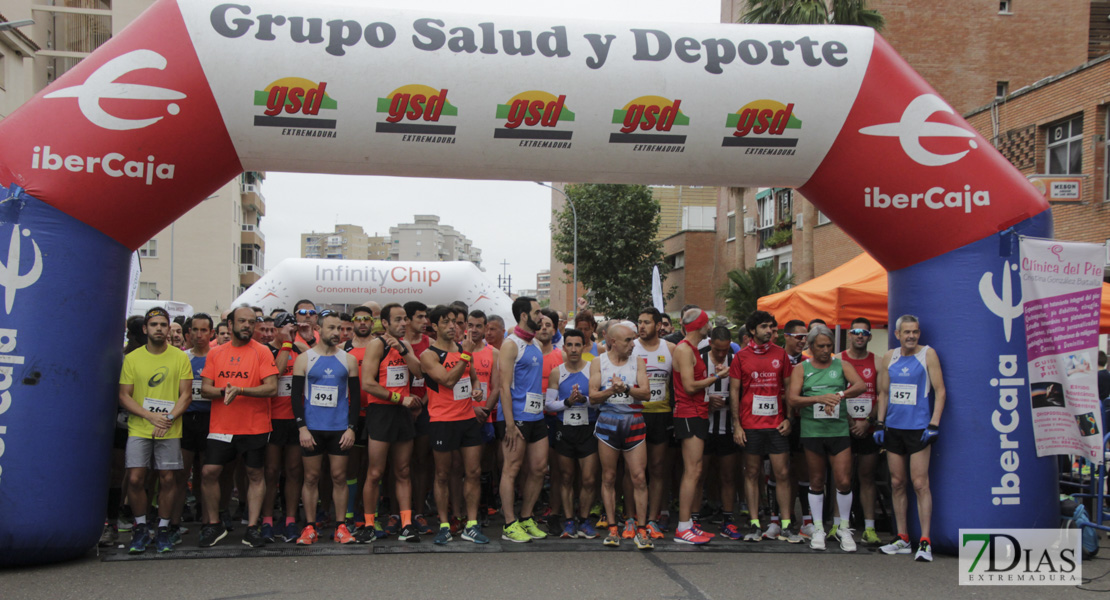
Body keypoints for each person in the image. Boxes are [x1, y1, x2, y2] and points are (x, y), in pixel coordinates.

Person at [197, 306, 279, 548]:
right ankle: (213, 525)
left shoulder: (262, 352)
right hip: (221, 426)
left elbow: (271, 388)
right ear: (230, 325)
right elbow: (205, 389)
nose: (247, 325)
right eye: (242, 321)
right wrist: (224, 391)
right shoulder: (215, 353)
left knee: (255, 474)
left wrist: (241, 390)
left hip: (254, 426)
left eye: (251, 322)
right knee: (209, 472)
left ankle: (252, 528)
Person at [118, 307, 194, 553]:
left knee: (168, 478)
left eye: (163, 324)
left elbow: (186, 394)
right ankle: (140, 527)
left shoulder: (180, 357)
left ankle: (162, 528)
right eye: (154, 325)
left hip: (169, 429)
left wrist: (168, 418)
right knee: (135, 478)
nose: (159, 329)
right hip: (139, 428)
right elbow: (124, 396)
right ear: (145, 329)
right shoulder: (132, 359)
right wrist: (151, 417)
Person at [874, 315, 946, 563]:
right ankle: (902, 537)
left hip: (918, 429)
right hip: (894, 428)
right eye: (907, 332)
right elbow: (883, 393)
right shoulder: (889, 357)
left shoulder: (928, 354)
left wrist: (934, 424)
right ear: (897, 334)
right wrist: (880, 423)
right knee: (896, 482)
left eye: (915, 331)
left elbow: (940, 390)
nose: (912, 336)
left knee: (919, 483)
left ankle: (924, 541)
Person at [788, 324, 866, 552]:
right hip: (813, 431)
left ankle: (844, 527)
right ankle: (819, 528)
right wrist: (819, 399)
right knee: (816, 481)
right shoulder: (802, 369)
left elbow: (860, 385)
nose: (825, 350)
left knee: (843, 480)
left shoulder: (841, 365)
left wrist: (839, 395)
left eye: (829, 346)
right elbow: (792, 399)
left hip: (838, 431)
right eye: (820, 346)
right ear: (810, 347)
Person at [730, 311, 801, 544]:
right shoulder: (741, 357)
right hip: (750, 424)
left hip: (776, 424)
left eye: (771, 326)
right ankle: (754, 523)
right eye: (763, 326)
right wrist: (737, 425)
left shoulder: (780, 354)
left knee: (782, 473)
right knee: (751, 473)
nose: (769, 330)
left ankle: (787, 524)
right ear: (752, 330)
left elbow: (790, 389)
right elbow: (734, 392)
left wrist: (789, 418)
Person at [421, 305, 489, 544]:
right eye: (446, 322)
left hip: (467, 419)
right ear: (435, 326)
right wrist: (467, 355)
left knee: (473, 472)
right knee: (442, 474)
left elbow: (473, 378)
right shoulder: (429, 355)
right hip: (442, 421)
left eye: (455, 322)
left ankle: (470, 524)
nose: (453, 326)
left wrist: (478, 390)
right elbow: (448, 381)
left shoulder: (462, 349)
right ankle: (443, 525)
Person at [290, 310, 360, 545]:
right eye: (331, 328)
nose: (337, 332)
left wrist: (351, 428)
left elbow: (356, 399)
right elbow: (296, 397)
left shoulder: (348, 359)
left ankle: (341, 526)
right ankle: (309, 527)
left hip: (339, 428)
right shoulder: (304, 359)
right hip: (312, 428)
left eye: (339, 328)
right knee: (311, 477)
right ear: (319, 329)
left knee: (339, 476)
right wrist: (302, 428)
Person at [358, 302, 423, 543]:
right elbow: (367, 383)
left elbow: (418, 373)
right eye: (397, 320)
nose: (403, 323)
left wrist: (405, 352)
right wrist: (399, 398)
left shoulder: (405, 345)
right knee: (375, 472)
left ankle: (406, 524)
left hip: (402, 414)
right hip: (382, 411)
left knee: (403, 471)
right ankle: (368, 523)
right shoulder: (377, 345)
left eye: (404, 319)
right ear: (384, 323)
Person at [590, 322, 653, 550]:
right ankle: (613, 528)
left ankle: (642, 529)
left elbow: (645, 393)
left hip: (634, 423)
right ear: (613, 342)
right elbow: (593, 396)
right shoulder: (599, 362)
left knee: (638, 477)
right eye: (628, 340)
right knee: (608, 477)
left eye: (633, 339)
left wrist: (625, 388)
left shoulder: (638, 362)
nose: (633, 344)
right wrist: (610, 391)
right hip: (608, 424)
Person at [671, 309, 728, 545]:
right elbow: (690, 386)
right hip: (688, 413)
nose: (710, 327)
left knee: (695, 470)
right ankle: (683, 527)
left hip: (697, 413)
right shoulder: (684, 349)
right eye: (707, 324)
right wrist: (717, 377)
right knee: (692, 471)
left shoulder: (691, 349)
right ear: (701, 326)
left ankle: (687, 525)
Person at [498, 297, 550, 543]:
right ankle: (509, 524)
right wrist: (509, 424)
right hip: (517, 418)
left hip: (537, 416)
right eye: (537, 312)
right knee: (512, 469)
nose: (541, 317)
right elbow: (504, 388)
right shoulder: (511, 345)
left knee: (539, 468)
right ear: (523, 315)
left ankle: (526, 517)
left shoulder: (536, 344)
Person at [545, 328, 600, 540]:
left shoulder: (592, 370)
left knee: (588, 478)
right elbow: (549, 403)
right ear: (564, 347)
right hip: (564, 429)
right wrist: (568, 402)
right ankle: (569, 521)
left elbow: (598, 400)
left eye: (578, 345)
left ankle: (584, 520)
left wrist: (583, 400)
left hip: (588, 428)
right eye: (570, 345)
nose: (574, 349)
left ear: (583, 346)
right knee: (566, 477)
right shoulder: (557, 372)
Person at [629, 307, 676, 539]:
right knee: (634, 471)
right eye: (639, 322)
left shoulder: (670, 349)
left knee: (657, 469)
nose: (642, 327)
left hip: (661, 415)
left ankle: (653, 519)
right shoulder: (631, 347)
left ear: (659, 325)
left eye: (647, 322)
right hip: (635, 414)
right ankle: (631, 517)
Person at [840, 318, 882, 545]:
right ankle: (839, 525)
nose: (860, 336)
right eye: (856, 332)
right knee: (842, 478)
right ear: (849, 334)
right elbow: (833, 392)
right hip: (843, 426)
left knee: (867, 476)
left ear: (870, 337)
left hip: (868, 426)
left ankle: (869, 527)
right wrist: (848, 421)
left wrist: (867, 420)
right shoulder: (839, 360)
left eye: (864, 333)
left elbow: (882, 394)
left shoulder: (878, 362)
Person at [261, 311, 302, 543]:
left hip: (295, 418)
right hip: (272, 418)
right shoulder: (267, 350)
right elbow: (275, 374)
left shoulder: (299, 349)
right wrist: (286, 344)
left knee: (294, 471)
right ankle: (267, 519)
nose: (290, 332)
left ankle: (290, 519)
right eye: (285, 328)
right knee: (271, 472)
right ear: (275, 330)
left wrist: (298, 343)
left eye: (292, 328)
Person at [699, 326, 743, 540]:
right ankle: (694, 519)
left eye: (725, 350)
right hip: (702, 427)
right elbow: (686, 389)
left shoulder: (737, 359)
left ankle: (728, 520)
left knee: (728, 475)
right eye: (717, 350)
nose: (721, 355)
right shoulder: (698, 358)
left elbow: (745, 392)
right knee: (698, 474)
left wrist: (729, 403)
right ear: (710, 343)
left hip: (728, 428)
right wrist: (707, 402)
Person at [175, 314, 214, 538]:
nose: (199, 335)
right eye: (195, 330)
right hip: (186, 421)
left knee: (207, 473)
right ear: (189, 333)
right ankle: (174, 521)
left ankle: (208, 521)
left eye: (204, 330)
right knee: (182, 473)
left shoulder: (217, 356)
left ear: (211, 333)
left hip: (211, 420)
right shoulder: (182, 357)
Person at [402, 300, 436, 537]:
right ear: (407, 319)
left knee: (421, 462)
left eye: (426, 317)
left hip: (423, 409)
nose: (425, 322)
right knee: (399, 465)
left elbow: (432, 383)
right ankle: (398, 513)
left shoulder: (431, 345)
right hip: (397, 407)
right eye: (420, 317)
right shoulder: (393, 344)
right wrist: (403, 401)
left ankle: (418, 510)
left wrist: (419, 405)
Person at [780, 319, 814, 536]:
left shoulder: (809, 362)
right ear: (787, 336)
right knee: (781, 471)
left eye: (806, 337)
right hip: (779, 420)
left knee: (803, 470)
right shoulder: (776, 358)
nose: (803, 341)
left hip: (803, 421)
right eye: (799, 337)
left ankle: (806, 520)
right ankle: (782, 517)